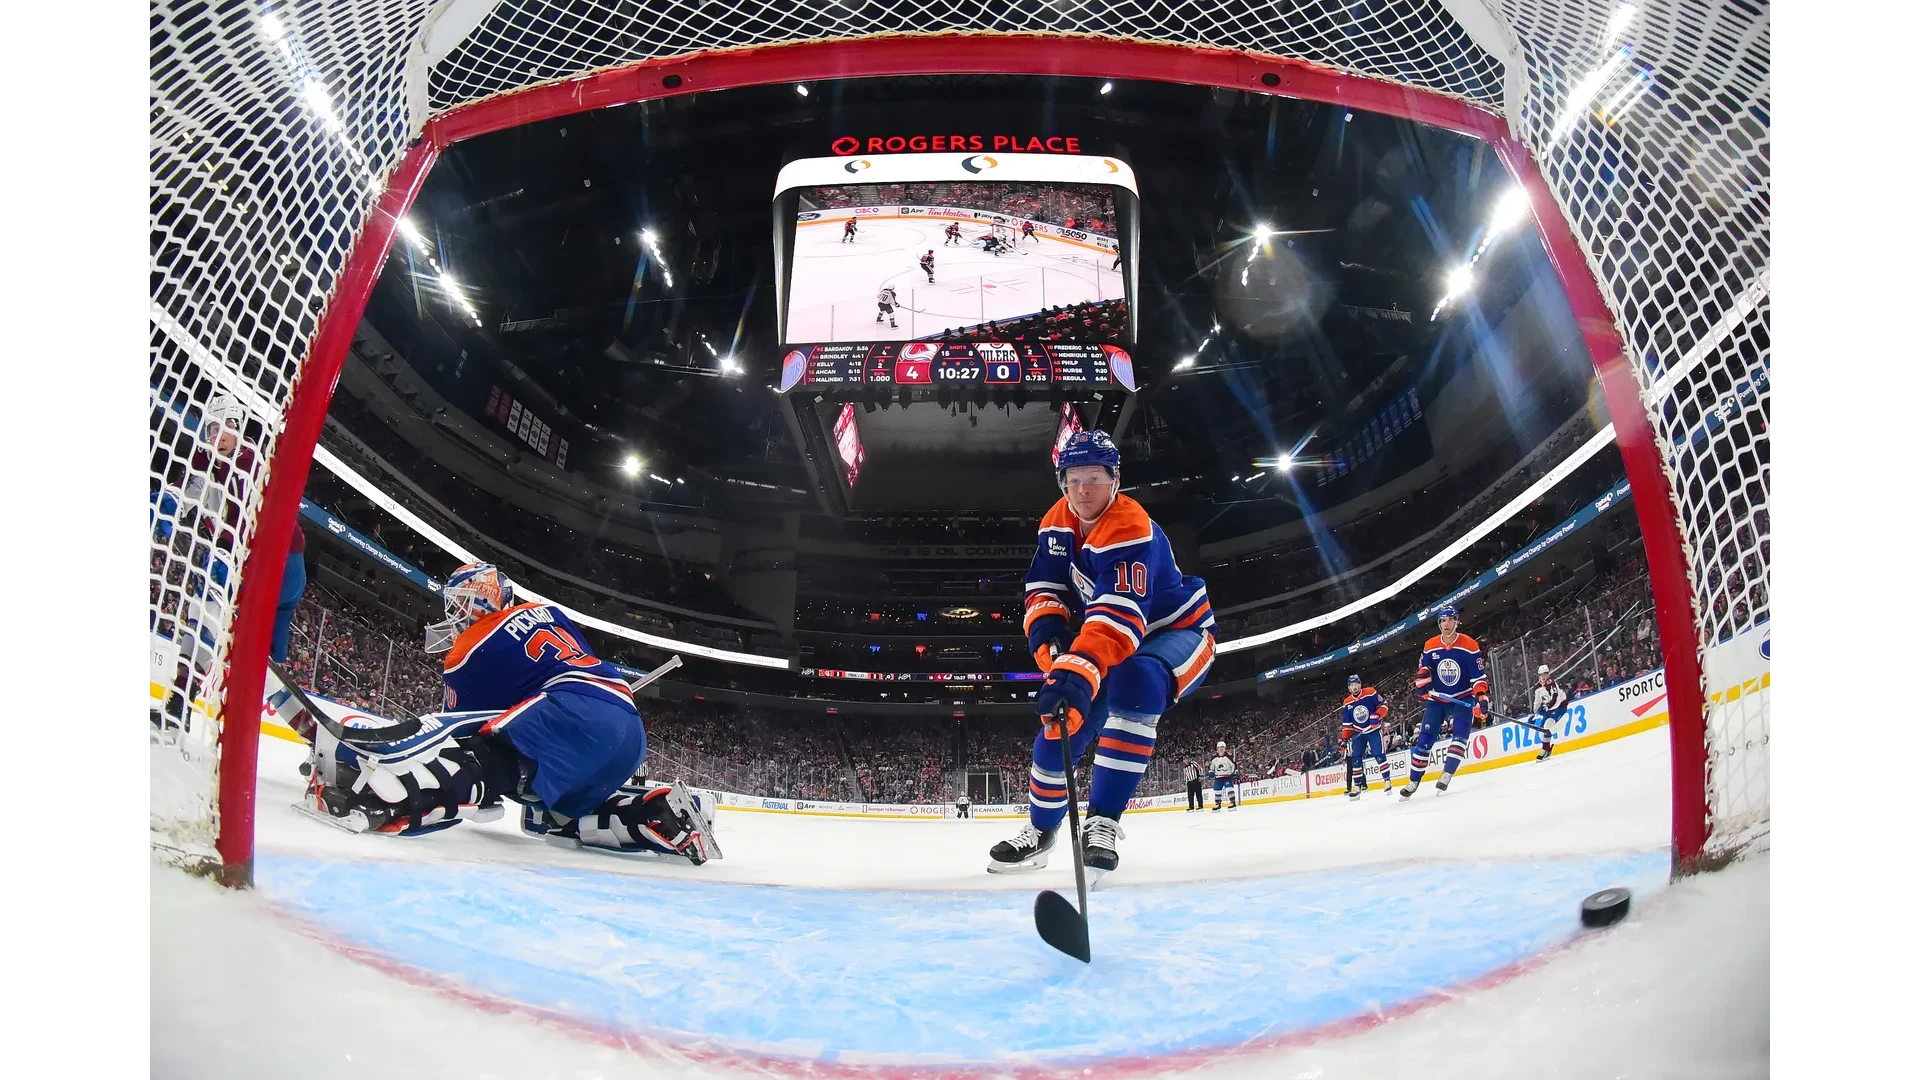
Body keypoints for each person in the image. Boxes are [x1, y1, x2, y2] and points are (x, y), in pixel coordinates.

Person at [296, 563, 717, 863]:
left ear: (482, 598)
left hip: (575, 713)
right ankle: (656, 815)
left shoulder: (469, 644)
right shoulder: (550, 614)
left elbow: (457, 731)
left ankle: (385, 799)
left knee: (484, 759)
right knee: (553, 817)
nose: (453, 615)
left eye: (458, 603)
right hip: (626, 727)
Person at [986, 430, 1214, 882]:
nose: (1083, 490)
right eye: (1073, 479)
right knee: (1060, 725)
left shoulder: (1130, 525)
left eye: (1094, 478)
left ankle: (1103, 822)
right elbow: (1044, 587)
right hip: (1112, 638)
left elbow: (1118, 616)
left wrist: (1079, 669)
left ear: (1115, 480)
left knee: (1137, 680)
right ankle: (1041, 830)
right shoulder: (1056, 522)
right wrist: (1050, 635)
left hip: (1176, 632)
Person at [1401, 605, 1487, 798]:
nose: (1446, 623)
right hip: (1438, 699)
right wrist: (1422, 684)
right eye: (1442, 620)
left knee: (1460, 735)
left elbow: (1478, 677)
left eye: (1450, 619)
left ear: (1457, 622)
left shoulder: (1470, 645)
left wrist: (1481, 697)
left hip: (1463, 697)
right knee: (1424, 739)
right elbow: (1424, 671)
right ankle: (1413, 781)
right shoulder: (1430, 645)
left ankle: (1447, 774)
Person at [1341, 673, 1392, 797]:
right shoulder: (1347, 702)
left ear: (1360, 684)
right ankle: (1357, 787)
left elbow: (1384, 706)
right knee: (1356, 759)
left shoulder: (1370, 692)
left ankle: (1387, 781)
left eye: (1356, 684)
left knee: (1379, 755)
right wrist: (1344, 739)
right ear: (1349, 688)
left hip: (1373, 730)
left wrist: (1378, 715)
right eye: (1352, 685)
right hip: (1358, 733)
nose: (1354, 687)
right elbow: (1347, 724)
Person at [1531, 664, 1570, 761]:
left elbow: (1556, 700)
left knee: (1548, 725)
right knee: (1543, 731)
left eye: (1545, 674)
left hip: (1560, 707)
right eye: (1542, 674)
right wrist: (1534, 713)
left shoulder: (1552, 684)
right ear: (1539, 676)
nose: (1544, 676)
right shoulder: (1537, 687)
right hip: (1549, 708)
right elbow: (1537, 701)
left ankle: (1544, 750)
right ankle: (1547, 750)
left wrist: (1547, 708)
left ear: (1548, 674)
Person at [1208, 740, 1238, 811]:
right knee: (1217, 790)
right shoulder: (1214, 757)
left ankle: (1233, 803)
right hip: (1218, 777)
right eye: (1219, 747)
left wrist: (1235, 772)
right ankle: (1217, 804)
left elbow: (1233, 765)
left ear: (1225, 748)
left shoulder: (1229, 756)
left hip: (1227, 776)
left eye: (1222, 747)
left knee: (1229, 788)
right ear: (1217, 749)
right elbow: (1211, 767)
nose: (1221, 749)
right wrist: (1211, 772)